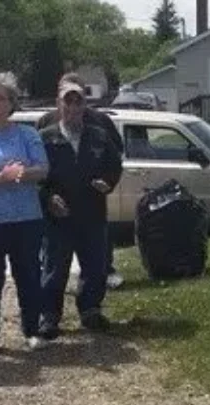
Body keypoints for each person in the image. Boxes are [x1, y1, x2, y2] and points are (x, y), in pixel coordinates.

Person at [38, 82, 123, 337]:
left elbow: (114, 166)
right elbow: (36, 178)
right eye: (68, 101)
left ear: (85, 105)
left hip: (92, 213)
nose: (73, 107)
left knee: (95, 266)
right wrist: (48, 197)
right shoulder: (45, 138)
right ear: (59, 104)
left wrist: (107, 183)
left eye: (78, 101)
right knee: (54, 268)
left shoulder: (98, 135)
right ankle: (50, 317)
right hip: (57, 217)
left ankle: (90, 310)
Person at [0, 73, 50, 357]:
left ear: (11, 103)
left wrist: (21, 173)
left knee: (28, 276)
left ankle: (32, 330)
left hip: (25, 219)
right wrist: (2, 176)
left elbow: (42, 169)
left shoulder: (27, 134)